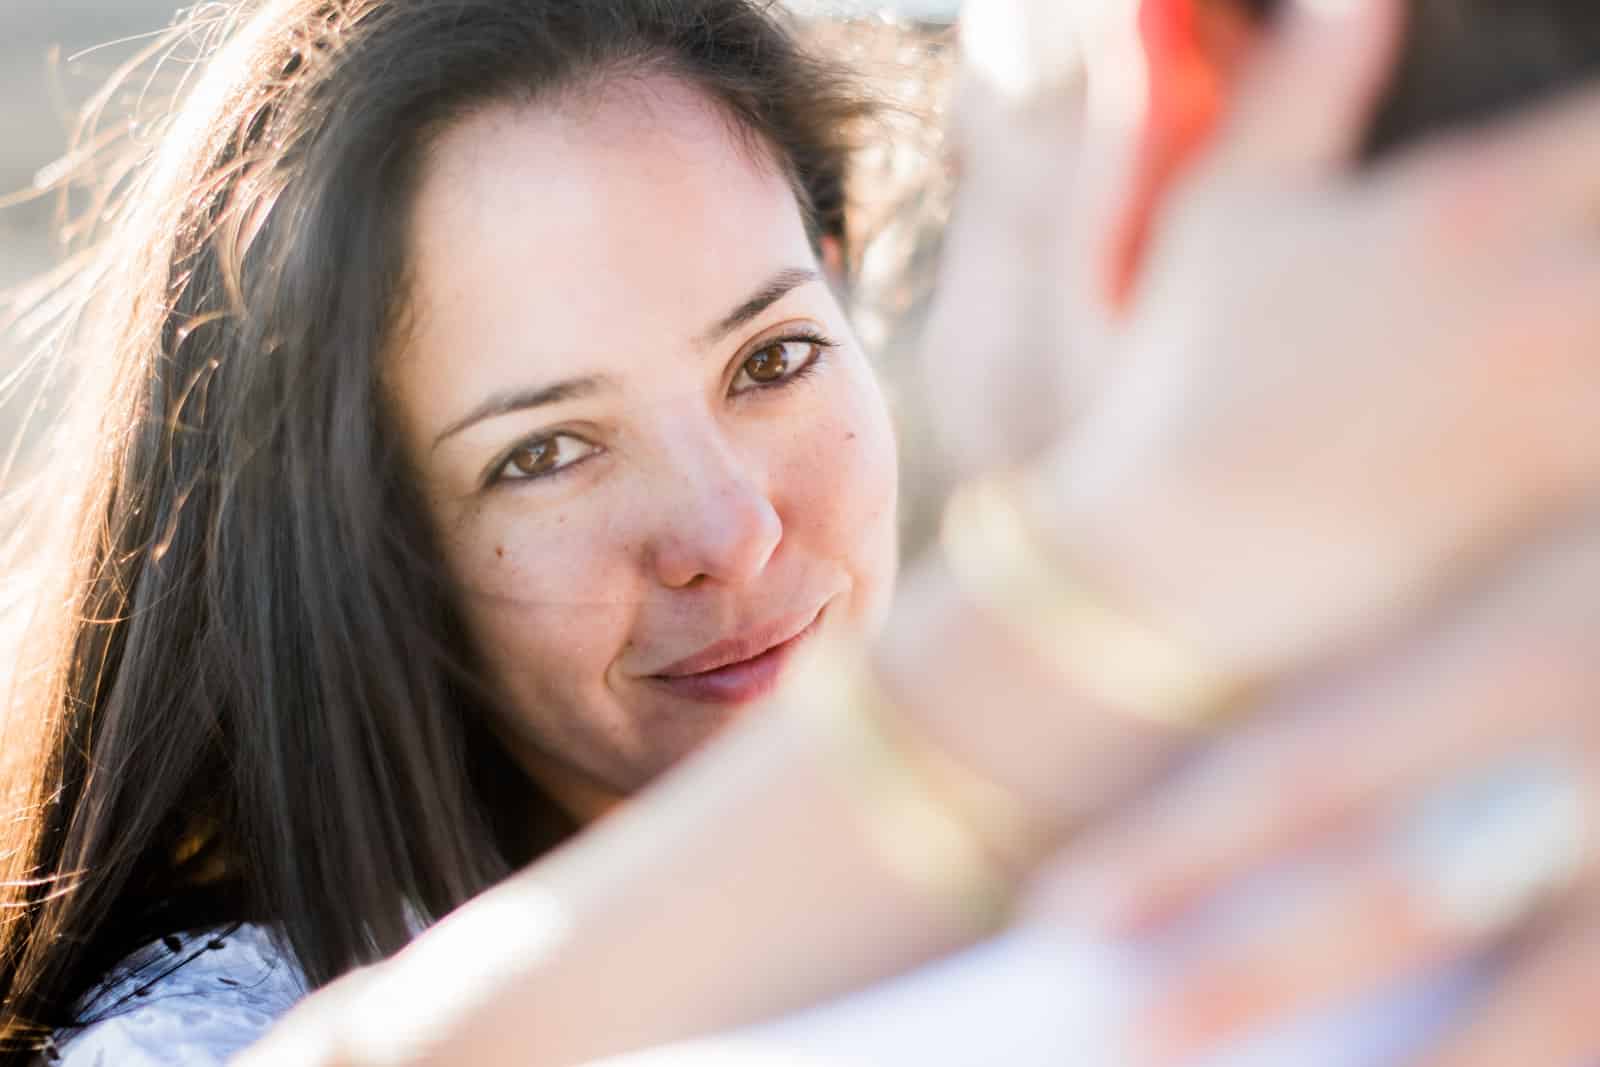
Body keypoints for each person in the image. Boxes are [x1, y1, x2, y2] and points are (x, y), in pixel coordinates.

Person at [4, 2, 1600, 1066]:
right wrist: (1121, 580)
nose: (725, 528)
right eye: (545, 453)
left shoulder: (1320, 836)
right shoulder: (213, 1019)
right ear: (352, 548)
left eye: (773, 360)